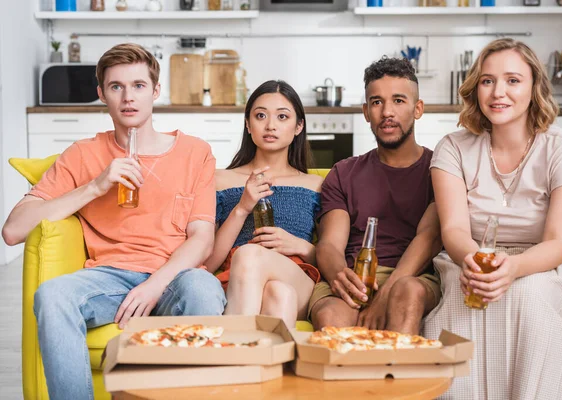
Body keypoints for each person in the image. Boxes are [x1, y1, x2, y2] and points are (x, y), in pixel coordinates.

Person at [1, 43, 226, 400]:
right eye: (116, 87)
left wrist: (154, 286)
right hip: (108, 277)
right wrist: (95, 186)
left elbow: (201, 238)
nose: (128, 97)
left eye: (138, 86)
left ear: (155, 91)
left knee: (204, 287)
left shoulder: (194, 152)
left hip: (175, 277)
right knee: (53, 294)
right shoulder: (83, 154)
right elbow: (13, 230)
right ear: (101, 94)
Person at [424, 38, 562, 399]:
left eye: (513, 80)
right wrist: (476, 262)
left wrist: (512, 268)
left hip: (552, 263)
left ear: (535, 87)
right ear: (476, 88)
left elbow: (557, 242)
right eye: (487, 81)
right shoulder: (453, 147)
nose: (498, 92)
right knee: (461, 301)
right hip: (472, 258)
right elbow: (454, 229)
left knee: (523, 293)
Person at [308, 57, 442, 335]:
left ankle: (399, 376)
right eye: (377, 102)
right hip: (353, 275)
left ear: (418, 109)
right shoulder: (344, 173)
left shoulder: (440, 170)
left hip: (412, 275)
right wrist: (339, 277)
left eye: (399, 101)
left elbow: (428, 240)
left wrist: (384, 296)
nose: (387, 112)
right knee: (332, 315)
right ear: (366, 111)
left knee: (408, 292)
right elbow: (330, 245)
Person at [204, 80, 322, 329]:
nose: (270, 126)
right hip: (238, 280)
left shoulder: (316, 184)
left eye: (282, 117)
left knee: (254, 259)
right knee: (278, 294)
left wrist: (300, 245)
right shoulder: (219, 179)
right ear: (248, 124)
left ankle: (231, 354)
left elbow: (332, 256)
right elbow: (210, 262)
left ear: (298, 126)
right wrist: (242, 208)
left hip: (298, 276)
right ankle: (265, 364)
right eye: (260, 116)